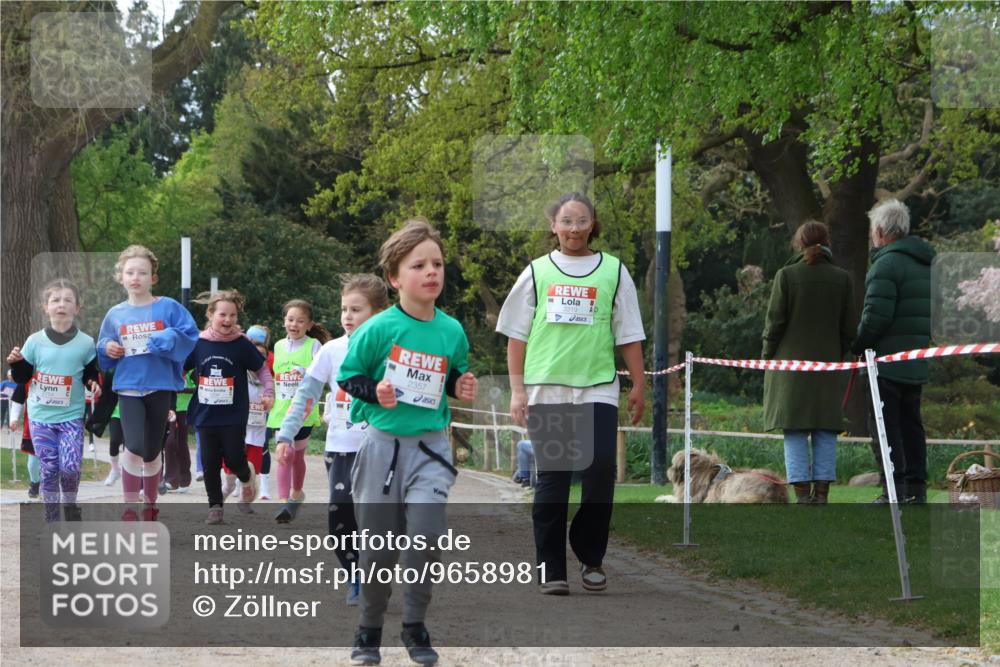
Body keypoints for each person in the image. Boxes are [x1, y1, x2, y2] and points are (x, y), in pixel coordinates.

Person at [337, 219, 477, 666]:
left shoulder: (451, 330)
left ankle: (415, 624)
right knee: (377, 551)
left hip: (431, 448)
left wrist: (462, 385)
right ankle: (369, 629)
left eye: (437, 264)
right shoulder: (378, 329)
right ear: (396, 278)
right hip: (381, 449)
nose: (432, 272)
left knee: (427, 537)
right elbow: (349, 377)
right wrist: (374, 390)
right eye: (419, 265)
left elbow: (451, 372)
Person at [497, 192, 645, 596]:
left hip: (597, 386)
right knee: (555, 478)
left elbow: (629, 333)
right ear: (553, 226)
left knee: (600, 470)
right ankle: (551, 569)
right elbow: (516, 336)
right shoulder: (536, 271)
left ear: (593, 224)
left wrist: (639, 384)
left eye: (581, 221)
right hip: (548, 388)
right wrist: (517, 390)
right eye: (566, 221)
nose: (574, 229)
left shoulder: (614, 271)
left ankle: (590, 554)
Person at [279, 273, 389, 607]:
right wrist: (285, 433)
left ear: (378, 313)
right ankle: (355, 575)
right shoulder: (331, 350)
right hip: (341, 449)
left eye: (356, 309)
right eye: (344, 309)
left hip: (382, 446)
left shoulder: (390, 349)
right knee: (341, 512)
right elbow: (304, 395)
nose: (347, 316)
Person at [98, 245, 199, 521]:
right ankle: (130, 507)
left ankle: (150, 505)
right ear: (121, 276)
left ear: (153, 278)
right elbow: (103, 343)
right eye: (130, 272)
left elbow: (190, 334)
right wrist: (108, 348)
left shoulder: (168, 307)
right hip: (129, 385)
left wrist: (168, 339)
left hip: (160, 384)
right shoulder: (115, 313)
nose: (136, 277)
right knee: (134, 444)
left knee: (153, 450)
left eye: (142, 272)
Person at [762, 221, 857, 504]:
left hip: (790, 369)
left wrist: (767, 357)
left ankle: (802, 496)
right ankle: (823, 495)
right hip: (828, 368)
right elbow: (849, 328)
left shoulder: (786, 276)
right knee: (825, 429)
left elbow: (774, 323)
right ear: (826, 242)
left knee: (795, 430)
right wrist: (839, 356)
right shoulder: (843, 278)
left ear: (798, 243)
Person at [851, 199, 936, 504]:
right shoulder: (926, 264)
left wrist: (857, 344)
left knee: (886, 429)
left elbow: (875, 317)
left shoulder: (885, 265)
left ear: (881, 232)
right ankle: (916, 489)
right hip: (916, 360)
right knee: (912, 426)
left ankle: (893, 490)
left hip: (886, 363)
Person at [6, 279, 101, 522]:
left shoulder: (86, 342)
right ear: (45, 307)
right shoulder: (34, 341)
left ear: (77, 308)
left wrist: (93, 382)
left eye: (68, 300)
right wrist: (15, 363)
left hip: (71, 416)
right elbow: (22, 377)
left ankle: (69, 505)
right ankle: (51, 519)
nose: (62, 304)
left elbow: (91, 371)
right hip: (40, 417)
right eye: (55, 300)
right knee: (48, 469)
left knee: (70, 467)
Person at [185, 289, 273, 524]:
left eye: (232, 315)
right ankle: (215, 507)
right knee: (210, 462)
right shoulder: (199, 342)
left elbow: (262, 369)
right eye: (222, 314)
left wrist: (269, 392)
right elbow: (180, 369)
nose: (228, 320)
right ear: (210, 314)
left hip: (234, 414)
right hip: (205, 413)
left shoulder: (241, 344)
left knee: (234, 459)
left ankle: (246, 475)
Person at [267, 300, 331, 523]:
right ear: (284, 321)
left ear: (309, 324)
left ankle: (297, 493)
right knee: (284, 455)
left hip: (303, 410)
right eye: (290, 319)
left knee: (297, 457)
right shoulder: (276, 346)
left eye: (300, 321)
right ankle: (284, 502)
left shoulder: (314, 345)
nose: (294, 324)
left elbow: (322, 375)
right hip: (281, 411)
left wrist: (304, 371)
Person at [246, 325, 273, 499]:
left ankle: (264, 487)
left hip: (262, 408)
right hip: (244, 410)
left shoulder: (271, 358)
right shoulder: (241, 356)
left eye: (258, 341)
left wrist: (270, 398)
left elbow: (274, 379)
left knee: (262, 447)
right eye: (251, 340)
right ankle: (239, 482)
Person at [162, 371, 195, 492]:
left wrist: (181, 389)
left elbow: (199, 389)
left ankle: (184, 479)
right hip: (169, 408)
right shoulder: (168, 366)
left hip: (184, 409)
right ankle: (170, 479)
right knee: (169, 443)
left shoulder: (192, 369)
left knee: (180, 443)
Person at [9, 381, 41, 498]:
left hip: (57, 426)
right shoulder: (27, 377)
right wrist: (14, 418)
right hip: (34, 427)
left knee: (52, 461)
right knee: (33, 463)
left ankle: (48, 487)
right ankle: (35, 482)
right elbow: (17, 400)